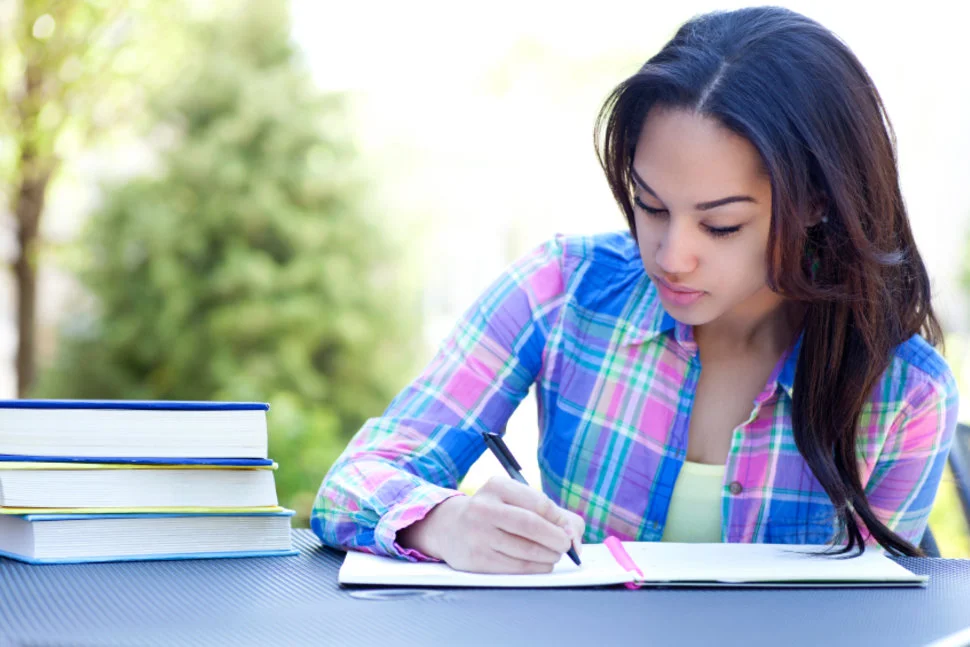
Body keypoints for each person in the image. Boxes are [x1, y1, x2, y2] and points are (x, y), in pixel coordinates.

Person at [311, 5, 959, 573]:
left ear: (817, 201)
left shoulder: (905, 392)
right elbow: (351, 484)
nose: (671, 256)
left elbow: (878, 610)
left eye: (721, 223)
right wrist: (444, 522)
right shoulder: (561, 289)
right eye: (650, 205)